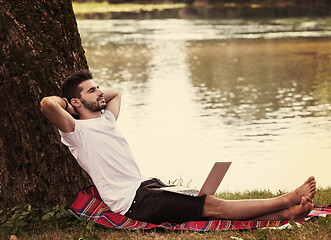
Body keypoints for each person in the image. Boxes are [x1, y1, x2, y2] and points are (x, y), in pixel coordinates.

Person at [40, 69, 316, 224]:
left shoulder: (108, 119)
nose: (100, 92)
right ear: (75, 103)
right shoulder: (77, 132)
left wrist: (91, 95)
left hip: (147, 186)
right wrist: (69, 103)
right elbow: (47, 104)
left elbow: (117, 93)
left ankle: (287, 214)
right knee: (213, 206)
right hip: (133, 201)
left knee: (201, 201)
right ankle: (286, 200)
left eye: (97, 86)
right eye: (91, 90)